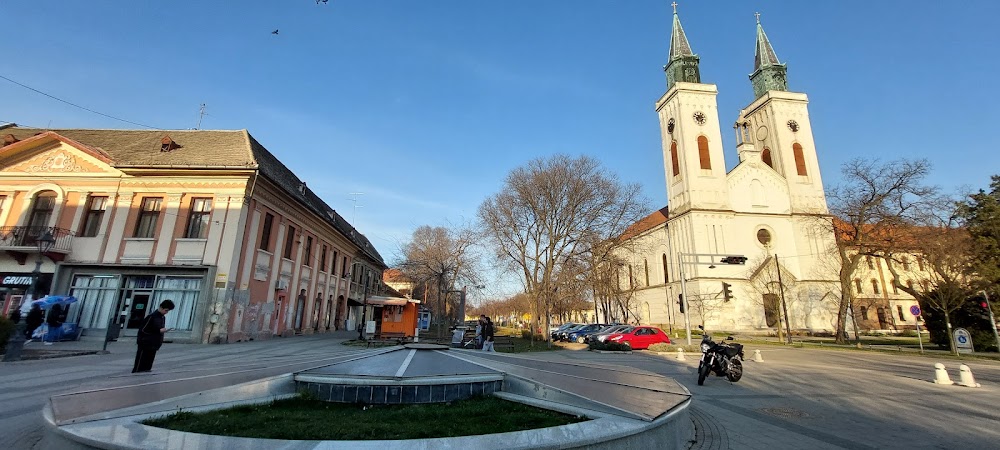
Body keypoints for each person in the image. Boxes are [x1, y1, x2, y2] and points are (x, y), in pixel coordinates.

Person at [132, 299, 175, 373]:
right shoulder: (151, 317)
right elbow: (143, 330)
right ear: (161, 307)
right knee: (140, 364)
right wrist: (159, 331)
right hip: (145, 343)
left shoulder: (162, 317)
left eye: (168, 311)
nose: (166, 312)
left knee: (148, 364)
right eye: (166, 310)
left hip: (154, 343)